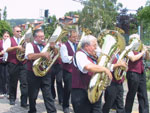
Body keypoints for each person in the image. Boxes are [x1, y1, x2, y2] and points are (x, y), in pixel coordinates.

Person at [71, 35, 127, 113]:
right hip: (81, 94)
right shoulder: (79, 54)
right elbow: (88, 66)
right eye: (94, 45)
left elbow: (105, 66)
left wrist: (117, 65)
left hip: (94, 93)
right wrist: (104, 69)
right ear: (87, 46)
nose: (96, 48)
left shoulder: (93, 56)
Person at [25, 29, 56, 113]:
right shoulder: (29, 45)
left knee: (48, 94)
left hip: (45, 73)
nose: (43, 38)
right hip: (33, 73)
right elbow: (29, 56)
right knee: (33, 95)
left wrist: (54, 48)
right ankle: (32, 110)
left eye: (43, 36)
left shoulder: (46, 45)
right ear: (35, 37)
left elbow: (55, 55)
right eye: (40, 37)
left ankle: (52, 111)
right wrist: (42, 54)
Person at [125, 34, 150, 113]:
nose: (138, 42)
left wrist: (146, 50)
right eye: (136, 39)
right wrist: (142, 52)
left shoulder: (140, 49)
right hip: (133, 73)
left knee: (143, 94)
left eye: (139, 40)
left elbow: (148, 58)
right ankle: (127, 111)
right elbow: (133, 58)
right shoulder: (128, 49)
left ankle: (144, 111)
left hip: (141, 72)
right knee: (131, 94)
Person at [4, 26, 28, 107]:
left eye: (20, 31)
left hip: (23, 62)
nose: (19, 33)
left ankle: (24, 101)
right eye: (17, 31)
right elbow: (6, 49)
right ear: (13, 32)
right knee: (13, 82)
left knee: (24, 83)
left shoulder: (24, 40)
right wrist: (16, 47)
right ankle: (12, 98)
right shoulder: (9, 39)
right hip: (13, 63)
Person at [60, 29, 78, 113]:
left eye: (76, 37)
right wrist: (76, 56)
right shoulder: (64, 46)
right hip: (68, 71)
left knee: (76, 90)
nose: (76, 38)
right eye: (74, 37)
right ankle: (65, 105)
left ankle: (76, 105)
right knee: (68, 89)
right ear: (69, 37)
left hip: (77, 71)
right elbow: (65, 59)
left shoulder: (78, 45)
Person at [0, 31, 10, 98]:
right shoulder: (0, 42)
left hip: (8, 60)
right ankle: (1, 91)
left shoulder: (10, 43)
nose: (6, 37)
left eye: (7, 36)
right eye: (5, 36)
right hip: (1, 60)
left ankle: (8, 91)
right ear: (3, 36)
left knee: (8, 76)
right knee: (1, 76)